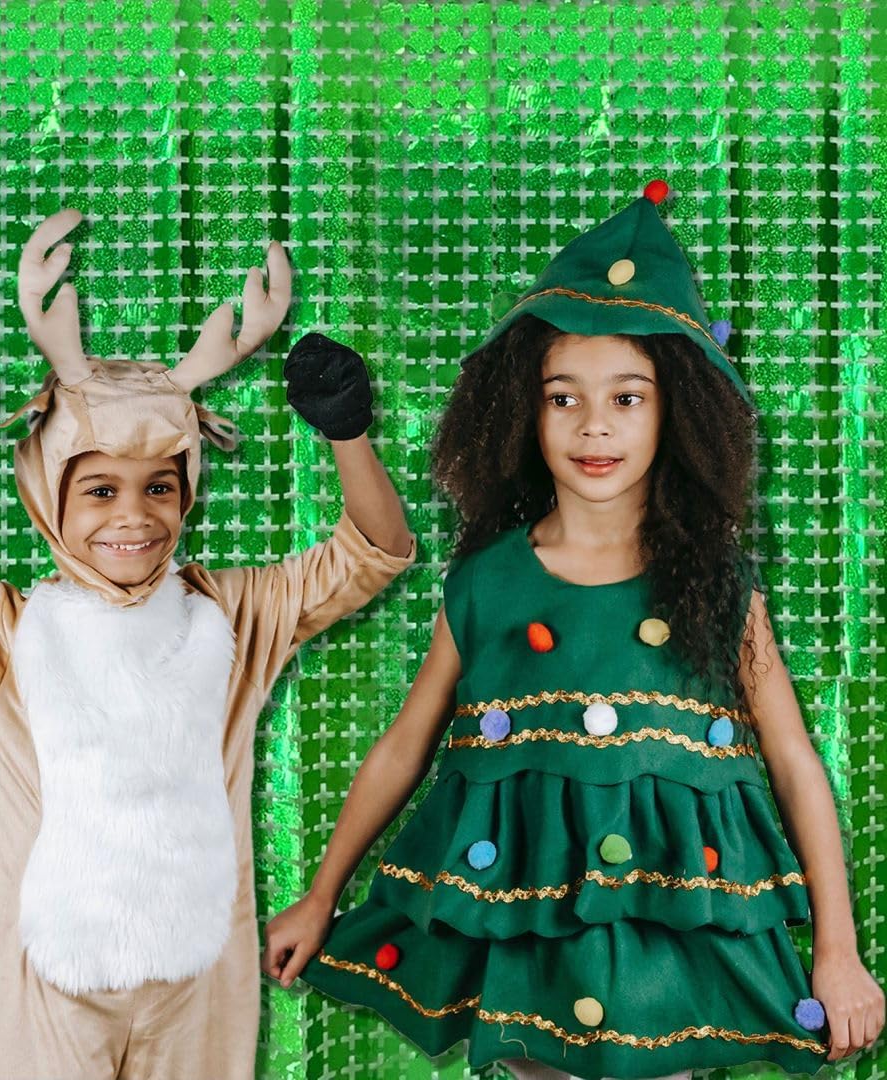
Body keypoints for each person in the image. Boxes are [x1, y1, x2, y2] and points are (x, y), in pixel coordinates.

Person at [261, 179, 885, 1079]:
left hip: (669, 927)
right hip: (527, 924)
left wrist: (839, 950)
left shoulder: (718, 581)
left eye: (628, 398)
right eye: (564, 398)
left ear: (676, 411)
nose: (594, 426)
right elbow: (405, 744)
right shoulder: (487, 582)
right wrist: (322, 895)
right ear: (525, 409)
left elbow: (791, 758)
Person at [0, 209, 416, 1080]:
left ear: (187, 491)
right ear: (48, 492)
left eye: (159, 487)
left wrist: (346, 434)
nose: (134, 516)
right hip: (38, 991)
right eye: (98, 489)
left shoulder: (230, 617)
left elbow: (373, 554)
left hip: (199, 987)